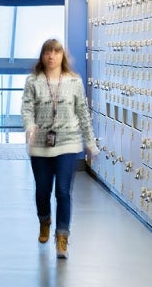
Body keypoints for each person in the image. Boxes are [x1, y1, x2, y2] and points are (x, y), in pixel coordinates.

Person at [21, 38, 98, 260]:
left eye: (56, 52)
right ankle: (44, 220)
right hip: (40, 146)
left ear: (62, 56)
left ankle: (62, 237)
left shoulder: (74, 81)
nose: (52, 56)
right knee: (43, 191)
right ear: (42, 56)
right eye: (48, 52)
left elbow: (83, 113)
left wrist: (90, 143)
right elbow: (26, 108)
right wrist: (29, 126)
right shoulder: (33, 81)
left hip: (68, 143)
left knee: (63, 192)